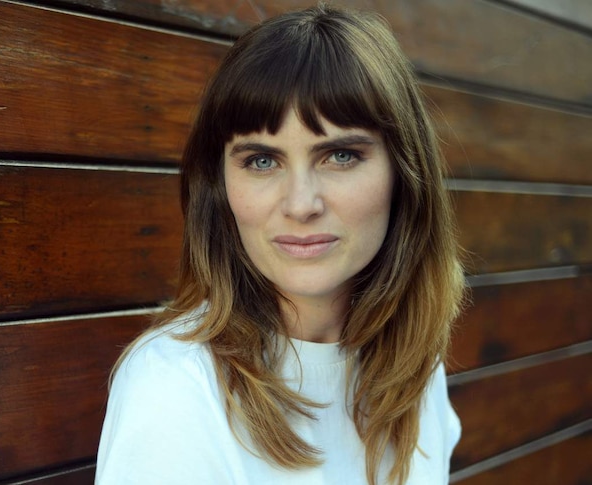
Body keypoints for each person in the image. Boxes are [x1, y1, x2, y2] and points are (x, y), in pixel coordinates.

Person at [96, 4, 465, 485]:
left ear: (403, 172)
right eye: (262, 161)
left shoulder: (414, 365)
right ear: (220, 186)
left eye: (339, 155)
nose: (301, 204)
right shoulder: (176, 389)